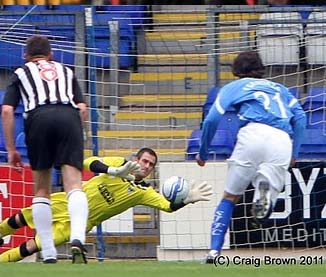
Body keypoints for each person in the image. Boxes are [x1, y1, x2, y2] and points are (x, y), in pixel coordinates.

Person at [0, 147, 213, 262]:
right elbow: (87, 162)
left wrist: (185, 200)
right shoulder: (119, 164)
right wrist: (112, 171)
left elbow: (167, 206)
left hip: (80, 223)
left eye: (151, 165)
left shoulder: (143, 192)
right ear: (136, 159)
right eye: (144, 161)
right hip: (67, 202)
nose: (146, 166)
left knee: (33, 246)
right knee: (18, 219)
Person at [195, 50, 307, 263]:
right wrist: (295, 153)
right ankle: (263, 190)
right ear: (260, 69)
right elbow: (300, 118)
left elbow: (211, 119)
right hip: (282, 139)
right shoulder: (280, 89)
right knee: (265, 205)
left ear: (237, 70)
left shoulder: (234, 87)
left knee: (230, 197)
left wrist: (203, 151)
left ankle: (213, 252)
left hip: (252, 134)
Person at [1, 35, 91, 263]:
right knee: (73, 184)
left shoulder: (21, 72)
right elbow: (82, 108)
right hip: (69, 117)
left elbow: (7, 111)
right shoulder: (66, 71)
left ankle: (49, 252)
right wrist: (73, 137)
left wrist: (11, 148)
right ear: (51, 55)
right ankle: (78, 238)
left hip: (39, 119)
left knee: (42, 190)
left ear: (26, 56)